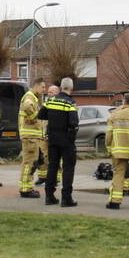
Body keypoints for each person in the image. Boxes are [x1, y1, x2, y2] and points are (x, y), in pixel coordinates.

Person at [38, 77, 79, 207]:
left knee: (52, 166)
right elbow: (74, 123)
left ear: (61, 87)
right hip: (66, 140)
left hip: (52, 139)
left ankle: (49, 197)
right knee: (68, 168)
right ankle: (66, 198)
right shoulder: (70, 103)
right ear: (71, 88)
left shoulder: (51, 100)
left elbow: (41, 115)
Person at [17, 77, 45, 198]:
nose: (44, 89)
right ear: (36, 85)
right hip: (30, 136)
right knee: (29, 163)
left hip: (33, 136)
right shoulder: (29, 97)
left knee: (32, 162)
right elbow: (28, 107)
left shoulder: (34, 97)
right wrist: (37, 116)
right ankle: (25, 189)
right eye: (43, 87)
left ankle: (28, 186)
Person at [36, 84, 60, 185]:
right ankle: (42, 177)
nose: (49, 94)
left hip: (54, 136)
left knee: (55, 157)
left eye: (51, 92)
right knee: (41, 157)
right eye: (48, 92)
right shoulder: (46, 103)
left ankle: (57, 178)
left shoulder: (59, 104)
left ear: (57, 93)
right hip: (43, 136)